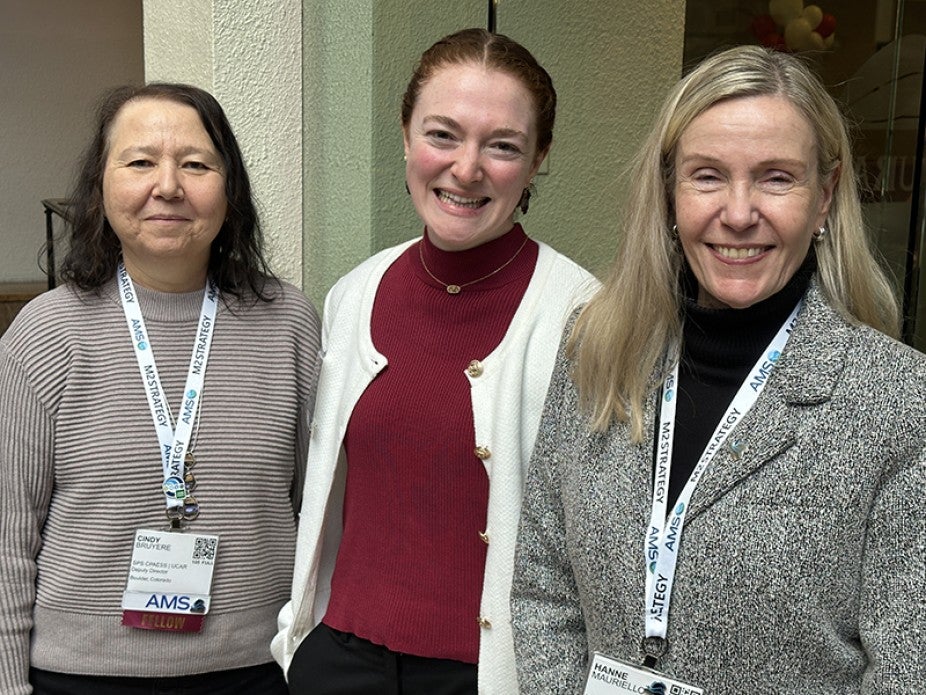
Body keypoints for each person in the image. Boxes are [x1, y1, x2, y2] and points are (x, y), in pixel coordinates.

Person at [511, 45, 925, 694]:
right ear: (670, 192)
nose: (737, 212)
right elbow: (543, 587)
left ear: (826, 195)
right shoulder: (593, 350)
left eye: (776, 177)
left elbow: (906, 671)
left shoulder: (899, 404)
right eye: (707, 176)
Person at [272, 28, 597, 694]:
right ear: (405, 135)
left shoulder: (583, 317)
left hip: (486, 676)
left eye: (502, 145)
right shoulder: (354, 294)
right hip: (339, 660)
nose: (467, 167)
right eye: (442, 134)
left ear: (539, 160)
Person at [0, 83, 321, 694]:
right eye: (140, 161)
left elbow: (323, 513)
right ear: (101, 185)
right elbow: (5, 540)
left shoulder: (289, 325)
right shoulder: (46, 335)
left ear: (231, 190)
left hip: (259, 669)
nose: (168, 186)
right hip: (80, 676)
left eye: (196, 164)